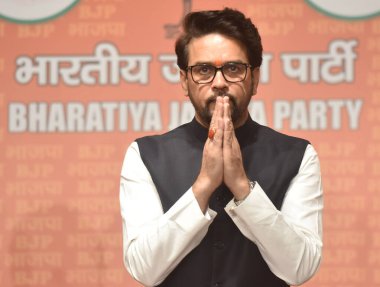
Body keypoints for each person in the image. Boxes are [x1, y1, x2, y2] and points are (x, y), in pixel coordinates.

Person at [120, 7, 323, 287]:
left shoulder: (297, 156)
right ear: (184, 80)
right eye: (203, 70)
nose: (219, 83)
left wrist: (243, 187)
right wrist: (203, 185)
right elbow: (144, 269)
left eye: (233, 69)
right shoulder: (145, 155)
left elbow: (300, 268)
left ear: (254, 79)